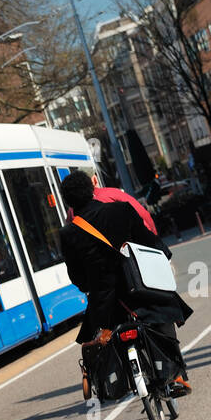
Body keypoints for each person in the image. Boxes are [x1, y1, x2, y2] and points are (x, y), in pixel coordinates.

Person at [59, 170, 192, 397]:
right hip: (139, 287)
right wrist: (163, 257)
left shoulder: (68, 233)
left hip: (105, 303)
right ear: (92, 190)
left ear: (68, 202)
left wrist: (91, 286)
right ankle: (177, 375)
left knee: (103, 337)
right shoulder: (120, 210)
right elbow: (150, 242)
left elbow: (76, 277)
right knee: (162, 313)